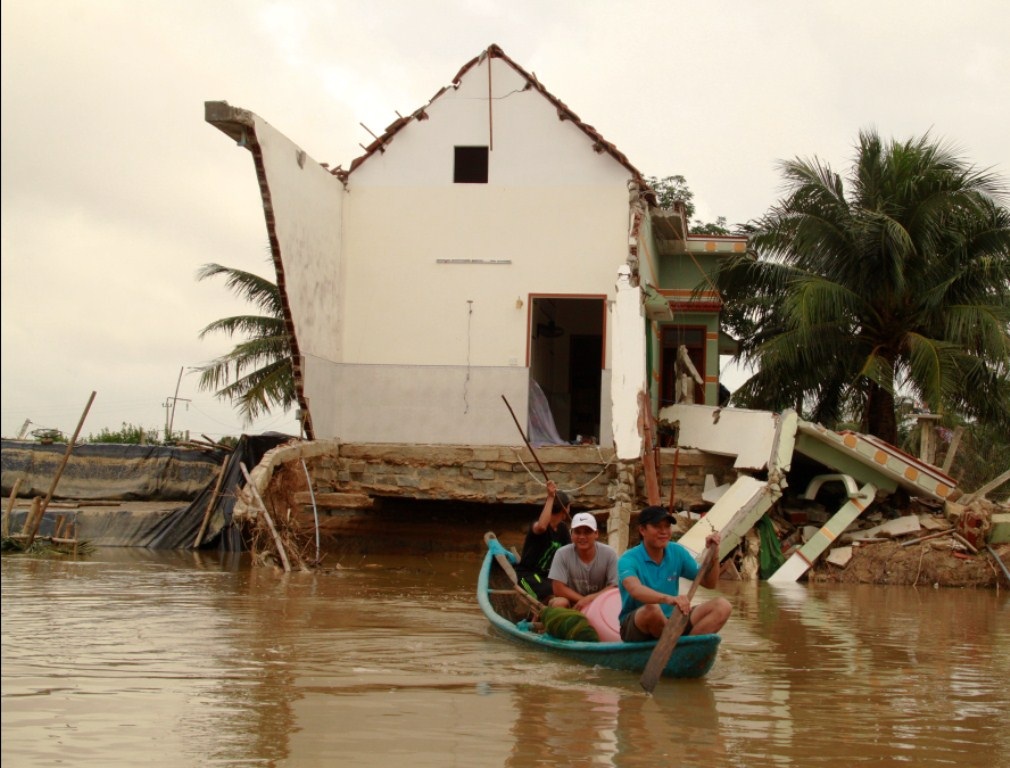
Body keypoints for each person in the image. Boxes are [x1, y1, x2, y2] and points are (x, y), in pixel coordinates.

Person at [617, 505, 731, 641]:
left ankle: (687, 650)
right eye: (657, 527)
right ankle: (676, 642)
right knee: (652, 610)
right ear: (642, 530)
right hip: (638, 625)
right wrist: (670, 599)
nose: (663, 532)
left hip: (672, 621)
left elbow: (710, 583)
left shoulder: (677, 552)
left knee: (723, 606)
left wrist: (714, 555)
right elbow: (635, 590)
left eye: (667, 527)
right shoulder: (628, 559)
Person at [546, 511, 618, 609]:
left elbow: (615, 587)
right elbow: (558, 588)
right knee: (559, 603)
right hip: (572, 604)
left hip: (600, 603)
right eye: (577, 532)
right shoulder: (562, 553)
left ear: (596, 533)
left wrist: (590, 600)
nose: (582, 537)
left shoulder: (610, 554)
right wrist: (582, 600)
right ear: (571, 534)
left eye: (587, 532)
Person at [515, 480, 571, 602]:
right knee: (549, 592)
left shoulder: (563, 529)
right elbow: (541, 527)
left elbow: (571, 553)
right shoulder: (539, 526)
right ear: (565, 509)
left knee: (567, 589)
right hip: (527, 576)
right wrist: (550, 497)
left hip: (548, 577)